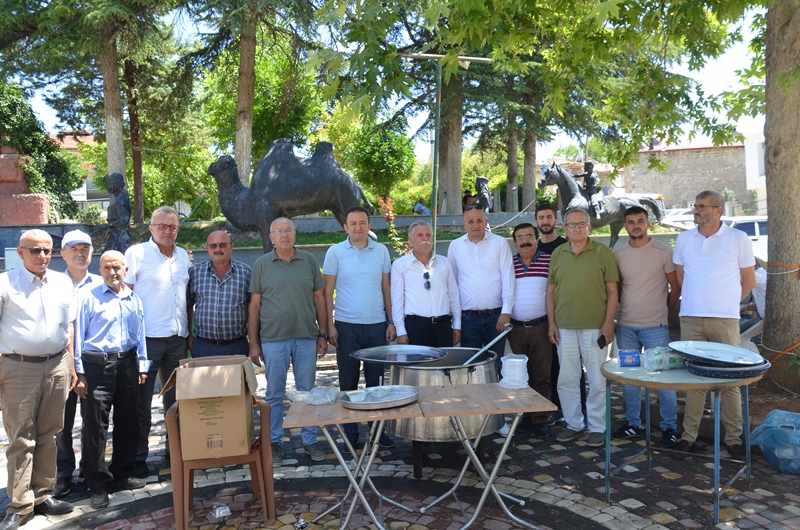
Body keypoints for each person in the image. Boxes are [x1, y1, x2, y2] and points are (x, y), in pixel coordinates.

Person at [0, 230, 77, 530]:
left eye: (47, 250)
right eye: (35, 250)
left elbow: (67, 326)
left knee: (49, 433)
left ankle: (43, 494)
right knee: (21, 438)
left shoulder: (61, 281)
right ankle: (19, 505)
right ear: (20, 253)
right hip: (19, 368)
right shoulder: (5, 283)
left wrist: (70, 364)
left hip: (57, 364)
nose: (43, 256)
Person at [673, 191, 756, 461]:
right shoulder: (685, 238)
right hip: (691, 318)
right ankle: (687, 438)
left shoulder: (738, 238)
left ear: (717, 210)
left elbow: (749, 280)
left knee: (729, 381)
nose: (696, 210)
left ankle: (734, 441)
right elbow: (681, 277)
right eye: (694, 205)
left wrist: (728, 304)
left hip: (725, 319)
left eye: (701, 206)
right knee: (694, 381)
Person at [249, 217, 329, 466]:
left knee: (307, 393)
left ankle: (309, 439)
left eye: (289, 230)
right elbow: (254, 306)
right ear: (271, 237)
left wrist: (323, 333)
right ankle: (274, 441)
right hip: (274, 339)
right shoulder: (262, 264)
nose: (284, 235)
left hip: (306, 336)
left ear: (295, 234)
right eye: (279, 231)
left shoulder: (308, 260)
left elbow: (319, 299)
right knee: (273, 394)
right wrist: (254, 343)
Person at [74, 251, 150, 509]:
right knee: (95, 426)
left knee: (129, 420)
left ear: (125, 270)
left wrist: (142, 364)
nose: (112, 272)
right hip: (97, 367)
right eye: (106, 268)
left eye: (116, 267)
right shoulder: (88, 298)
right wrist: (79, 373)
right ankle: (96, 483)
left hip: (127, 364)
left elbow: (141, 335)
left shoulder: (133, 298)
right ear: (100, 269)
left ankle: (121, 473)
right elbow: (78, 338)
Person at [124, 206, 190, 477]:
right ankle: (138, 458)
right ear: (150, 228)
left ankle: (175, 449)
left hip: (178, 339)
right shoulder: (136, 254)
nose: (167, 231)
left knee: (177, 401)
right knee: (141, 402)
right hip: (147, 341)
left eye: (172, 227)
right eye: (162, 226)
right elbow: (124, 297)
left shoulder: (184, 255)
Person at [323, 207, 395, 451]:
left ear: (369, 225)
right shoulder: (335, 252)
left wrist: (391, 321)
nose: (357, 227)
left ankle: (377, 431)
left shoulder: (382, 251)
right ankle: (350, 431)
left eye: (362, 223)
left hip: (376, 325)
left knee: (376, 382)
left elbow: (387, 288)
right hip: (346, 326)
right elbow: (327, 291)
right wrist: (329, 325)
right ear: (345, 227)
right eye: (352, 223)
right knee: (348, 382)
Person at [546, 208, 619, 448]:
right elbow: (551, 292)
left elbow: (612, 291)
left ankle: (597, 427)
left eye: (581, 224)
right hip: (564, 327)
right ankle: (574, 424)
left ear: (589, 227)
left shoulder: (602, 252)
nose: (576, 228)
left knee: (597, 380)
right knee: (566, 379)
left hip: (595, 327)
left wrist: (608, 323)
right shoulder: (558, 253)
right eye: (571, 225)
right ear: (564, 228)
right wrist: (552, 324)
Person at [611, 206, 681, 449]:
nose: (636, 225)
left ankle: (669, 428)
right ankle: (632, 424)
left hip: (656, 327)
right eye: (630, 222)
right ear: (625, 225)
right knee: (630, 378)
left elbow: (676, 288)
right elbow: (617, 291)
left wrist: (664, 311)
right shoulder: (618, 255)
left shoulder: (663, 251)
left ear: (648, 223)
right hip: (626, 327)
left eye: (640, 221)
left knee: (663, 380)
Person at [448, 203, 514, 435]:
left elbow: (508, 277)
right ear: (464, 223)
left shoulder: (500, 244)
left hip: (496, 317)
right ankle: (472, 418)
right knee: (469, 370)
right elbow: (453, 286)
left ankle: (498, 419)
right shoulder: (455, 247)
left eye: (479, 220)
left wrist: (506, 311)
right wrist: (456, 322)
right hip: (468, 320)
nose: (475, 225)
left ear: (486, 221)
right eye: (471, 221)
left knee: (494, 367)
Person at [54, 230, 103, 499]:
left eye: (85, 247)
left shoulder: (100, 284)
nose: (80, 252)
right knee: (62, 422)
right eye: (74, 248)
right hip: (61, 363)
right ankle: (63, 473)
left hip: (94, 364)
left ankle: (90, 468)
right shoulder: (52, 283)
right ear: (63, 254)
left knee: (94, 420)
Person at [507, 223, 552, 438]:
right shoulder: (508, 264)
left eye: (529, 236)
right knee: (519, 376)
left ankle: (540, 418)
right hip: (515, 329)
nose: (525, 241)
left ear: (537, 239)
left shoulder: (549, 262)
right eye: (520, 237)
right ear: (515, 242)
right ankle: (524, 416)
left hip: (541, 327)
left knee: (541, 375)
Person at [392, 221, 461, 348]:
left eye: (428, 235)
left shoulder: (445, 263)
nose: (425, 239)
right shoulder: (400, 265)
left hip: (443, 326)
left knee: (443, 366)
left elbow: (453, 295)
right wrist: (400, 330)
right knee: (418, 367)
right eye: (420, 235)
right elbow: (397, 301)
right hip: (415, 327)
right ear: (410, 240)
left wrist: (457, 325)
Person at [187, 231, 252, 357]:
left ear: (231, 247)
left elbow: (253, 309)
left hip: (237, 346)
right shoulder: (195, 272)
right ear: (207, 249)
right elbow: (188, 305)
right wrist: (189, 335)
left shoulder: (245, 272)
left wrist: (253, 342)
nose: (218, 249)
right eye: (213, 245)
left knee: (237, 378)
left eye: (223, 245)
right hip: (203, 347)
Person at [739, 262, 766, 333]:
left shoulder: (760, 275)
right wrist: (747, 307)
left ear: (756, 264)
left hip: (766, 322)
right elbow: (763, 304)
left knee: (740, 331)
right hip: (762, 318)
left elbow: (743, 279)